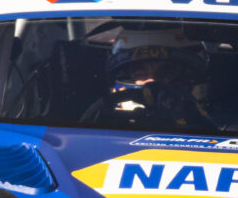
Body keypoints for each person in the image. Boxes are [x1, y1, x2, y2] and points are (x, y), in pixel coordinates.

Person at [82, 32, 213, 129]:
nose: (151, 81)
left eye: (167, 72)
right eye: (140, 73)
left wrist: (192, 118)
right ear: (123, 75)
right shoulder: (96, 124)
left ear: (188, 77)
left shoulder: (221, 127)